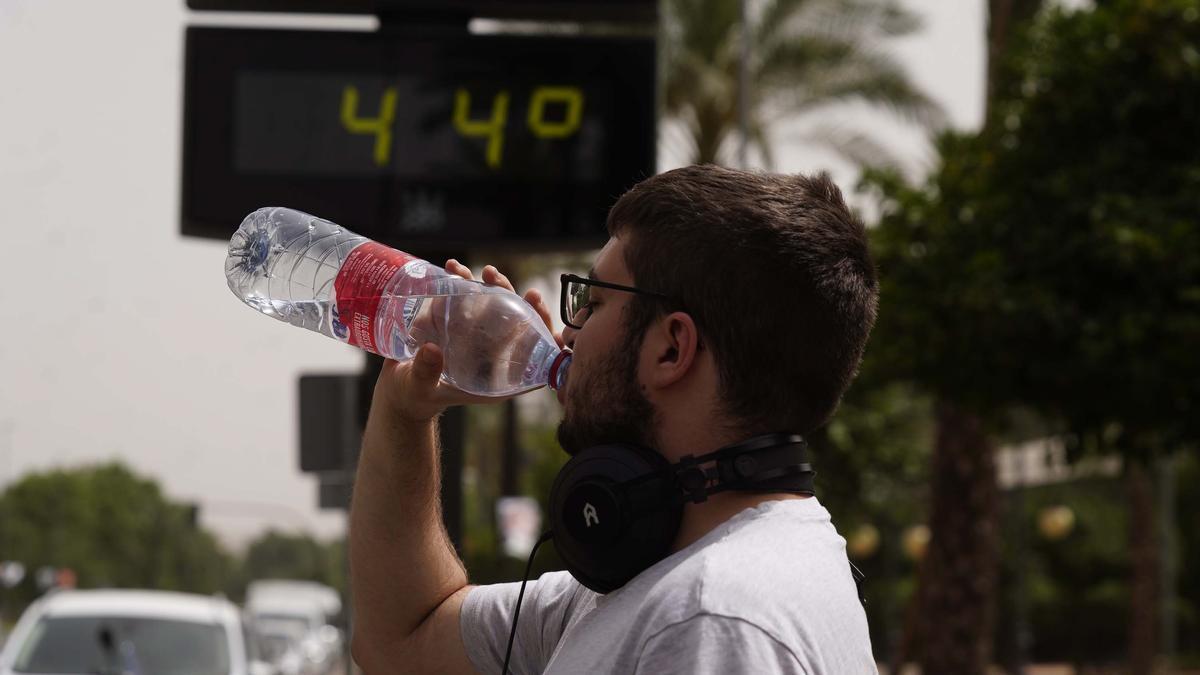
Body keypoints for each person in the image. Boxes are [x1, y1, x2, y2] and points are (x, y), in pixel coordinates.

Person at [349, 165, 879, 674]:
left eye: (594, 301)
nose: (569, 329)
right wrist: (405, 411)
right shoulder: (683, 574)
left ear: (671, 349)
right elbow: (401, 641)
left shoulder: (707, 616)